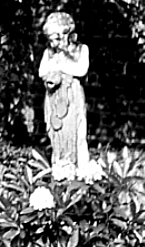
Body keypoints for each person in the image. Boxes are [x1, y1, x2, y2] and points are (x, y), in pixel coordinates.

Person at [39, 12, 101, 181]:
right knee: (56, 133)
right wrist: (57, 67)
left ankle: (77, 172)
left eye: (57, 39)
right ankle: (59, 170)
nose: (53, 43)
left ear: (66, 36)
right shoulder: (48, 53)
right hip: (54, 96)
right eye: (51, 39)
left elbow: (80, 70)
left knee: (76, 133)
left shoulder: (81, 49)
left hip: (72, 96)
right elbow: (42, 71)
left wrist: (61, 63)